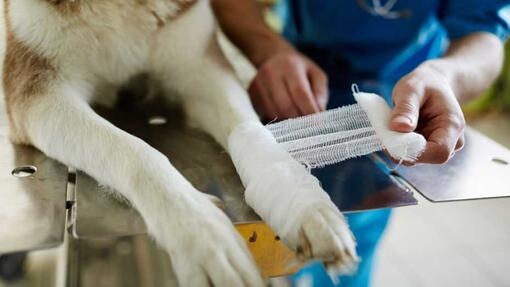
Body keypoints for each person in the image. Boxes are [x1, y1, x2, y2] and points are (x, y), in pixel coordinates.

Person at [212, 0, 510, 286]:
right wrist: (268, 49)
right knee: (271, 236)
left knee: (349, 246)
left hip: (394, 108)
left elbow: (484, 37)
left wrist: (445, 75)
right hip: (291, 88)